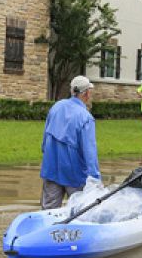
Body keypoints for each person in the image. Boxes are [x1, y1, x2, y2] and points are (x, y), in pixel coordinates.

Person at [39, 76, 101, 209]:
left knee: (48, 213)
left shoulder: (56, 107)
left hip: (51, 168)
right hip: (75, 174)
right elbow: (90, 152)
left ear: (72, 90)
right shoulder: (85, 118)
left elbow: (44, 142)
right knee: (80, 213)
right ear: (87, 93)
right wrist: (95, 179)